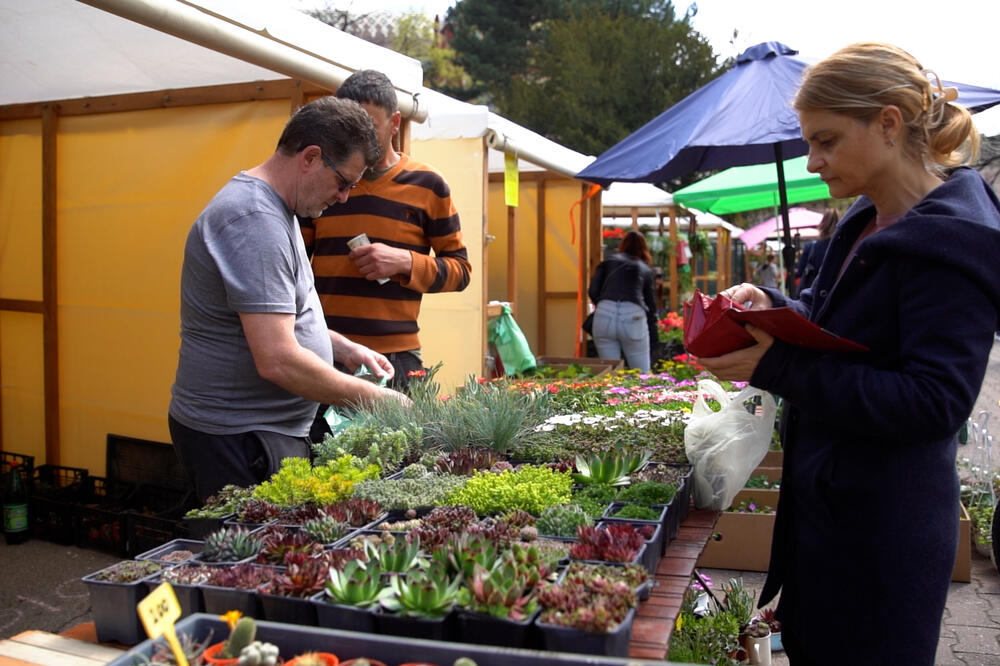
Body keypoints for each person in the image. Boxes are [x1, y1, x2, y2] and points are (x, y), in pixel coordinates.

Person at [699, 43, 1000, 666]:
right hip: (831, 515)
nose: (813, 162)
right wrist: (770, 303)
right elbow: (836, 327)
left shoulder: (955, 243)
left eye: (827, 141)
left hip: (883, 534)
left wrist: (776, 367)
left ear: (888, 124)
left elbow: (933, 402)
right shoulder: (868, 218)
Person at [169, 96, 411, 503]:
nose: (344, 197)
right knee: (246, 561)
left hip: (259, 431)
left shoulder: (281, 209)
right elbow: (277, 358)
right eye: (344, 182)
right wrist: (378, 399)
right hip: (237, 438)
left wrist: (341, 346)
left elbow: (278, 315)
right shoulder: (255, 220)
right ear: (310, 157)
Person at [300, 70, 471, 392]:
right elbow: (294, 264)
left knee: (399, 444)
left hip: (396, 358)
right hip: (326, 349)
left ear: (395, 123)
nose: (356, 140)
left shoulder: (428, 184)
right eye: (347, 129)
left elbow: (461, 271)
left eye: (369, 127)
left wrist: (406, 262)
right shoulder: (323, 180)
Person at [587, 230, 658, 372]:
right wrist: (654, 333)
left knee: (610, 372)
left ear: (623, 245)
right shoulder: (645, 269)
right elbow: (650, 304)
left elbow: (593, 290)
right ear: (644, 248)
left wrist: (604, 305)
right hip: (633, 314)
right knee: (641, 373)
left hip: (604, 312)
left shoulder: (608, 263)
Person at [793, 209, 839, 295]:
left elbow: (800, 271)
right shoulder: (845, 246)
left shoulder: (812, 247)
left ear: (823, 224)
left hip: (815, 294)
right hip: (836, 293)